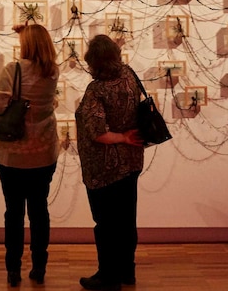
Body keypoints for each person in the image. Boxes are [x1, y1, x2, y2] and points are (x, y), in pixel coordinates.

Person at [0, 24, 60, 287]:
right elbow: (49, 103)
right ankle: (39, 266)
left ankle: (13, 269)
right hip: (44, 153)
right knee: (40, 210)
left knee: (14, 212)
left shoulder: (13, 70)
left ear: (26, 44)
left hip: (13, 155)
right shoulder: (53, 72)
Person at [75, 35, 145, 291]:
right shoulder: (129, 75)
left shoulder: (97, 89)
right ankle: (127, 272)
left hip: (105, 167)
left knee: (105, 224)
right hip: (132, 162)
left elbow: (98, 133)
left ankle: (108, 276)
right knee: (126, 220)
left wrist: (122, 137)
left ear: (93, 62)